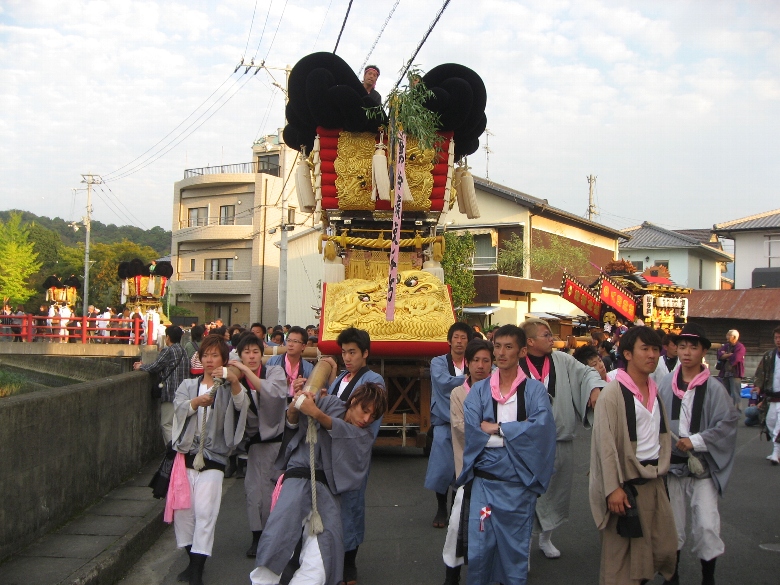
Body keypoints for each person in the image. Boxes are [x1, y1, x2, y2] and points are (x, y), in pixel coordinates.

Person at [250, 382, 387, 585]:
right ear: (354, 400)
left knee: (323, 558)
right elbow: (295, 422)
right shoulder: (329, 403)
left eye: (373, 416)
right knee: (276, 541)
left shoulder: (364, 435)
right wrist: (300, 401)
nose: (367, 419)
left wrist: (316, 413)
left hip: (327, 494)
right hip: (297, 480)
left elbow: (340, 431)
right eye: (364, 410)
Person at [457, 324, 557, 585]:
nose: (501, 353)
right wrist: (517, 433)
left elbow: (541, 430)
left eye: (509, 347)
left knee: (515, 550)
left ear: (522, 351)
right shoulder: (479, 391)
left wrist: (500, 429)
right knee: (480, 549)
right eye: (497, 346)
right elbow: (474, 431)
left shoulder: (534, 390)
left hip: (518, 483)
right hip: (485, 482)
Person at [589, 326, 677, 585]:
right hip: (625, 483)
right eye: (645, 349)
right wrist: (612, 488)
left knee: (660, 546)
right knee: (622, 559)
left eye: (655, 349)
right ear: (627, 354)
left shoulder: (654, 390)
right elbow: (605, 445)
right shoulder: (613, 394)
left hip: (654, 479)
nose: (652, 355)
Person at [657, 324, 738, 585]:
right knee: (673, 525)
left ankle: (708, 578)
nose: (687, 352)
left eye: (693, 347)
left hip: (702, 467)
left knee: (706, 524)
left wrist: (695, 441)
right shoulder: (665, 384)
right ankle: (672, 576)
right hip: (673, 467)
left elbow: (727, 423)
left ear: (703, 351)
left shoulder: (714, 388)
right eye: (682, 346)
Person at [519, 317, 604, 558]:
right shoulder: (516, 363)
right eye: (546, 335)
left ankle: (546, 538)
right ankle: (523, 547)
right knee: (526, 494)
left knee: (556, 493)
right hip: (528, 442)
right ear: (530, 341)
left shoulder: (562, 360)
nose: (552, 339)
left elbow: (586, 373)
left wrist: (594, 388)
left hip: (560, 439)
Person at [169, 335, 249, 585]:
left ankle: (196, 570)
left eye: (215, 355)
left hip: (214, 457)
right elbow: (178, 407)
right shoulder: (188, 385)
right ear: (200, 358)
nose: (209, 360)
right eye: (206, 355)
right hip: (186, 456)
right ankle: (193, 563)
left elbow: (242, 405)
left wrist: (233, 379)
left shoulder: (226, 388)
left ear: (224, 359)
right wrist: (195, 403)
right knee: (183, 513)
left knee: (205, 512)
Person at [319, 327, 385, 585]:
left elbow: (366, 423)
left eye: (353, 352)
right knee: (331, 508)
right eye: (344, 352)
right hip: (332, 448)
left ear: (365, 353)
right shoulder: (341, 378)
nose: (347, 357)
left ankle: (349, 563)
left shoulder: (374, 381)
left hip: (352, 450)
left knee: (351, 507)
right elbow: (334, 407)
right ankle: (332, 559)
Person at [226, 334, 288, 558]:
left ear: (262, 354)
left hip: (276, 443)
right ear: (240, 355)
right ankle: (256, 536)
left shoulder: (274, 371)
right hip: (253, 445)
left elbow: (275, 393)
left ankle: (275, 535)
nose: (251, 357)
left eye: (255, 352)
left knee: (273, 490)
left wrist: (245, 370)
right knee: (254, 492)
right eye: (246, 352)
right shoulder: (236, 378)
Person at [442, 338, 494, 585]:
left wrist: (492, 429)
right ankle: (451, 574)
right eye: (475, 360)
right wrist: (493, 431)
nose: (480, 366)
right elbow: (461, 428)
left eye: (486, 360)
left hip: (495, 471)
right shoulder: (458, 393)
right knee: (457, 524)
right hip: (467, 469)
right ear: (468, 363)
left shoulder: (499, 391)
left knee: (488, 523)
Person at [426, 322, 474, 528]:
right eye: (456, 337)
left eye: (464, 338)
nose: (460, 341)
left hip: (467, 422)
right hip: (444, 421)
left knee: (462, 467)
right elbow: (443, 383)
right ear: (449, 340)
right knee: (442, 466)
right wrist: (468, 379)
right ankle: (441, 507)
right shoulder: (438, 362)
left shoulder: (473, 361)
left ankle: (457, 508)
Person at [133, 325, 189, 445]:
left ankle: (173, 450)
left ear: (167, 337)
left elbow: (155, 367)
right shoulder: (184, 351)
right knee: (178, 424)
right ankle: (179, 449)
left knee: (166, 424)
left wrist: (141, 366)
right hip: (184, 393)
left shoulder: (168, 350)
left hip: (170, 393)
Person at [753, 324, 780, 464]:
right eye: (776, 337)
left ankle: (776, 453)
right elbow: (761, 373)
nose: (778, 340)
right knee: (770, 423)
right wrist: (758, 387)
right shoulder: (769, 356)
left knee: (779, 427)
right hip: (772, 396)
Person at [266, 326, 314, 398]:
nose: (290, 344)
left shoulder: (309, 368)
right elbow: (264, 386)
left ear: (303, 346)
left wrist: (303, 389)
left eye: (295, 341)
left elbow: (313, 392)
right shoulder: (272, 361)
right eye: (288, 340)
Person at [716, 329, 746, 411]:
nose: (727, 337)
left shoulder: (740, 347)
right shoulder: (726, 346)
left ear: (734, 337)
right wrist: (729, 355)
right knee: (725, 394)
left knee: (735, 394)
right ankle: (727, 412)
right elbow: (719, 354)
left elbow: (736, 358)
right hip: (725, 373)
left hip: (735, 374)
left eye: (729, 335)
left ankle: (737, 412)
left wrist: (725, 355)